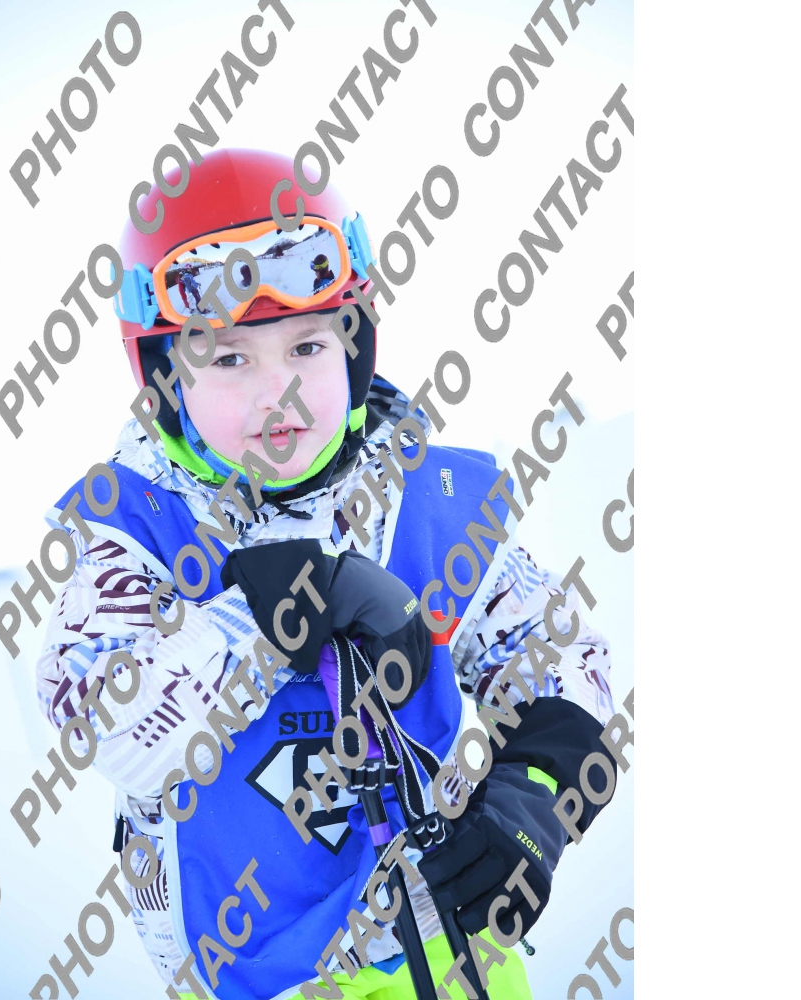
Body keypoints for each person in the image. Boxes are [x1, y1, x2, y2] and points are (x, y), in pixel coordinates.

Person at [36, 149, 615, 1000]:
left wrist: (532, 800)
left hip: (445, 953)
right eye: (228, 359)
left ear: (355, 346)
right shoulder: (136, 530)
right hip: (252, 977)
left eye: (307, 345)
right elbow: (100, 724)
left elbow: (562, 657)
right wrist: (261, 618)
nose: (280, 393)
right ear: (163, 379)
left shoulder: (428, 504)